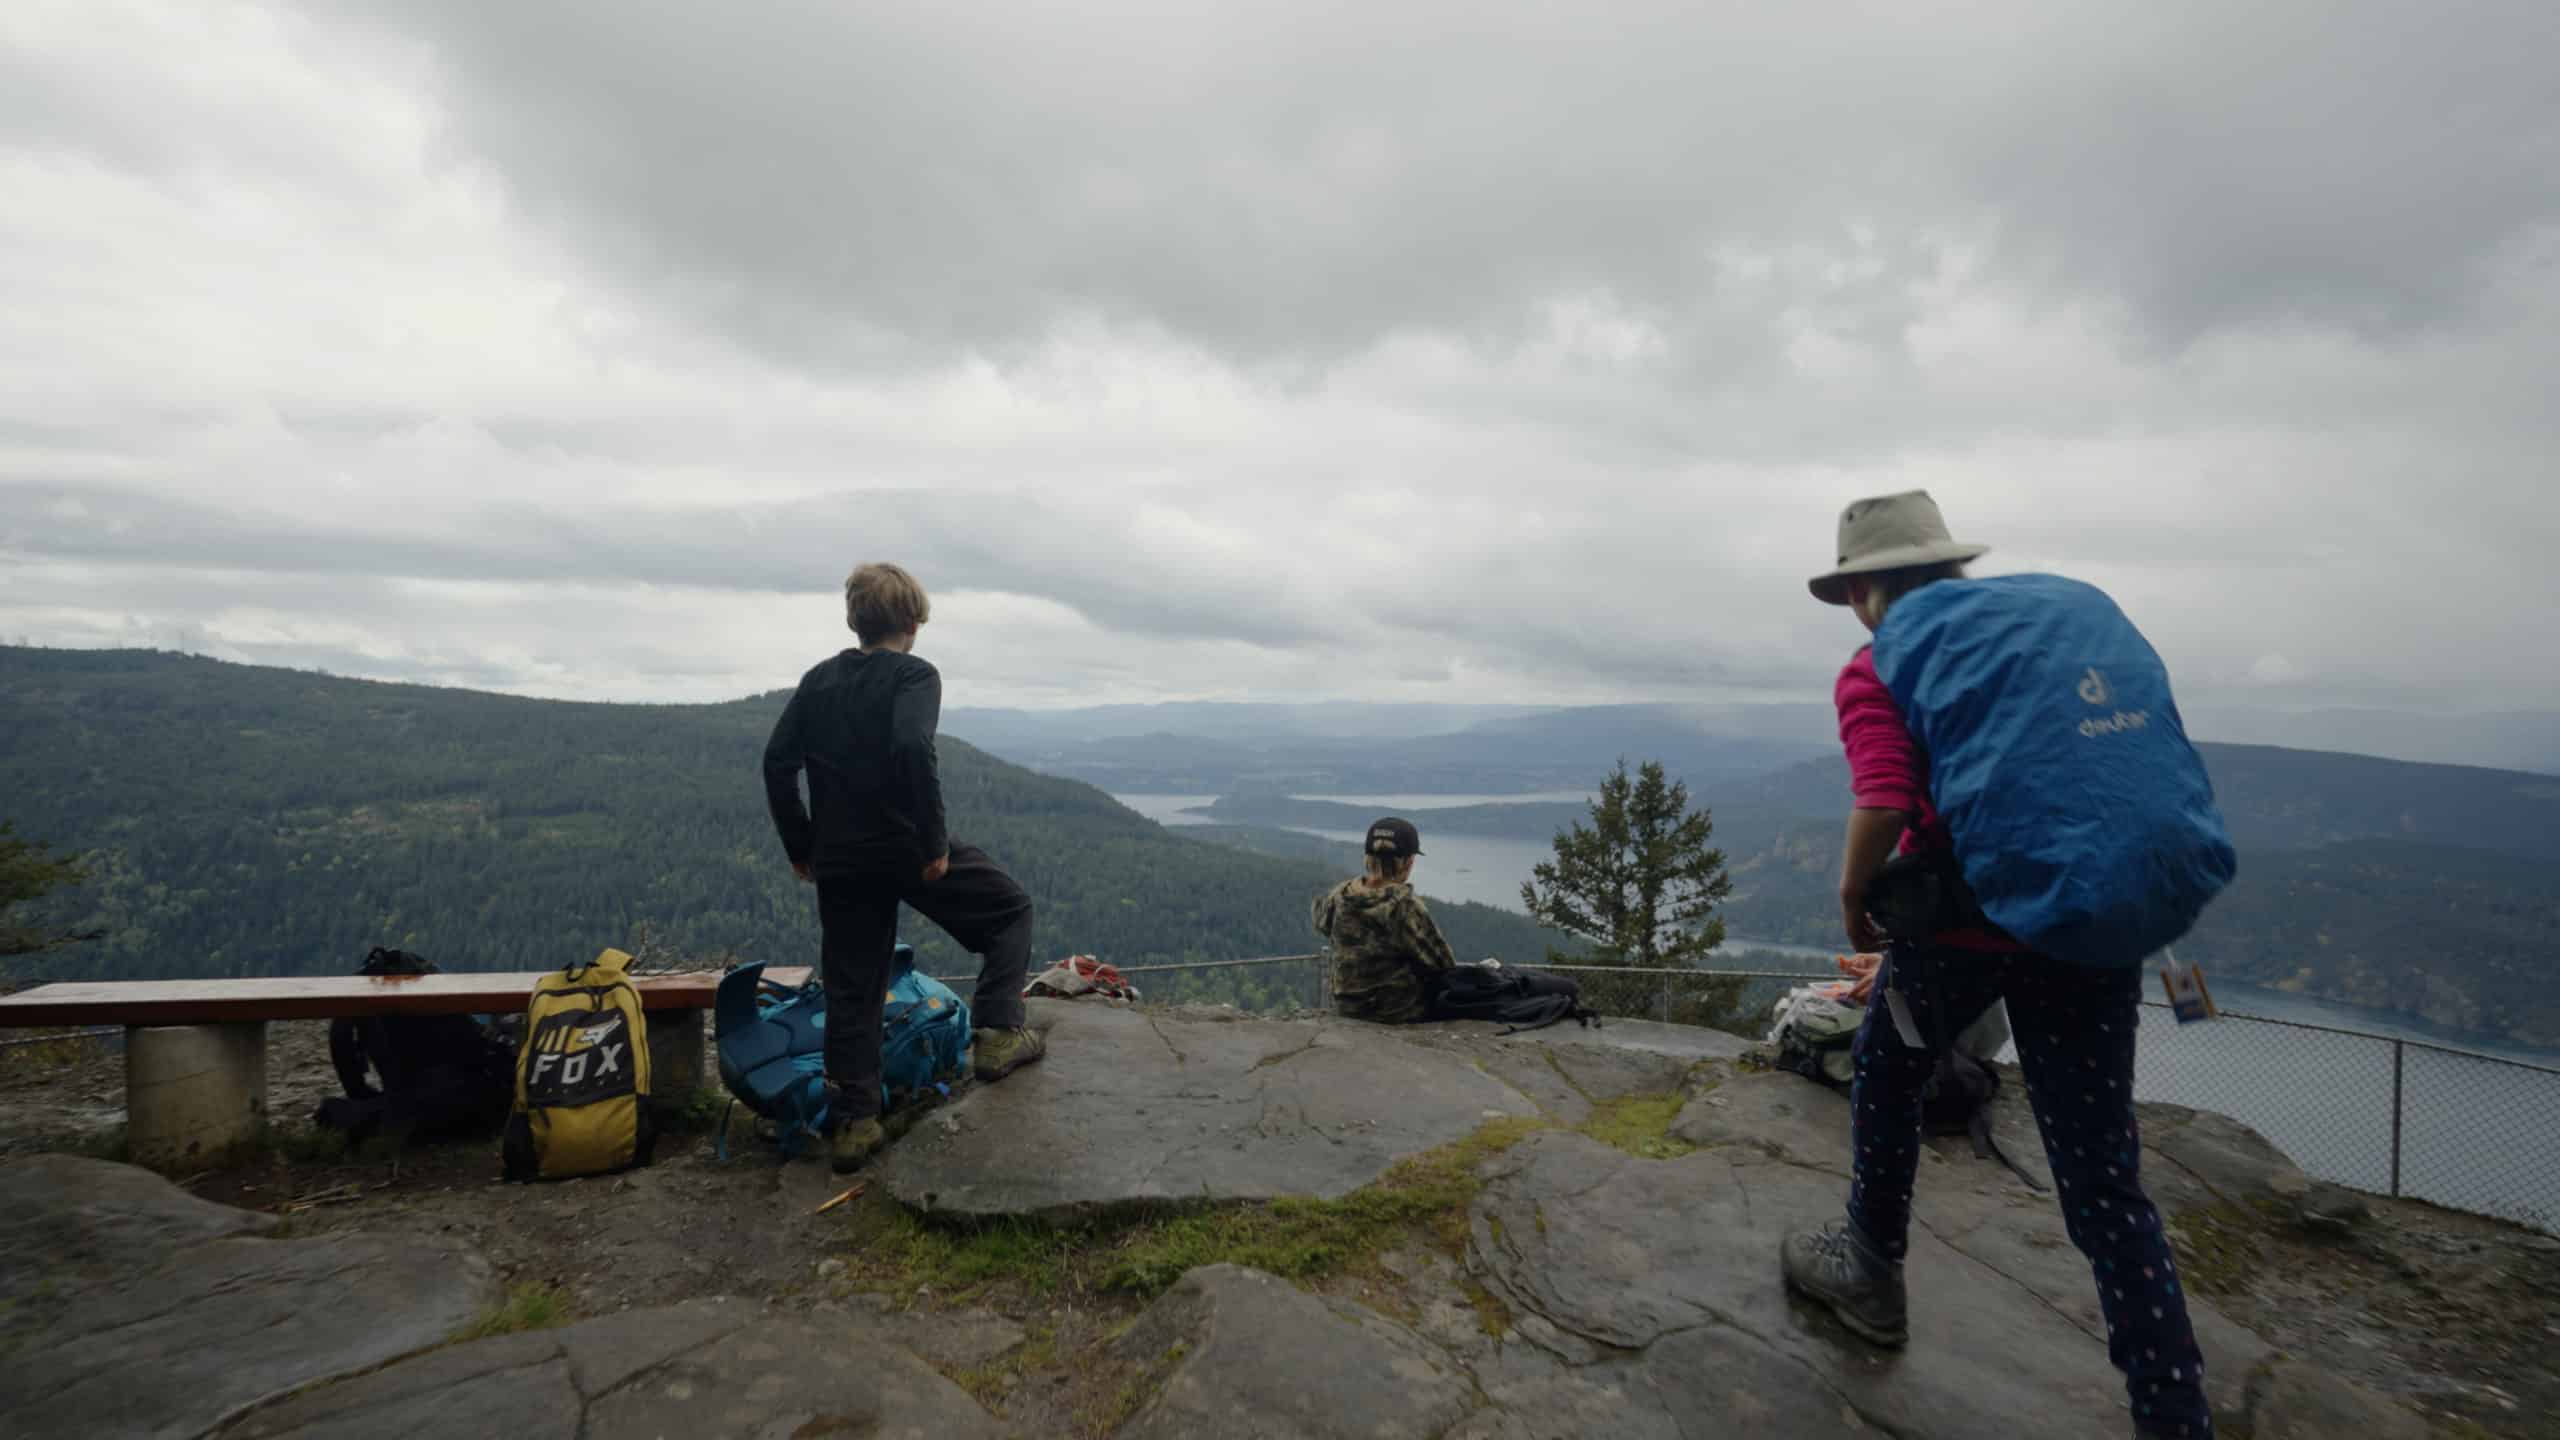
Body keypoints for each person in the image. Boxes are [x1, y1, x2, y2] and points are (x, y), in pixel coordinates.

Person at [1778, 492, 2216, 1439]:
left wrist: (1855, 900)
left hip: (1961, 936)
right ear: (1950, 566)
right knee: (2103, 1180)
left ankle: (1870, 1270)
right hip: (2086, 926)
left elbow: (1887, 799)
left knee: (1890, 1076)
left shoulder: (1879, 664)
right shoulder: (2040, 638)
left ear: (1861, 590)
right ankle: (2173, 1412)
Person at [763, 562, 1047, 1174]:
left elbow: (777, 762)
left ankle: (854, 1124)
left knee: (852, 985)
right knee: (1010, 910)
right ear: (914, 621)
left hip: (839, 856)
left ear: (853, 619)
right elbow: (912, 746)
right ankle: (998, 1033)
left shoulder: (819, 680)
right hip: (904, 846)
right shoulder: (915, 675)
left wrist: (801, 844)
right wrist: (933, 840)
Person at [1311, 817, 1459, 1024]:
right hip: (1397, 1011)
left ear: (1367, 858)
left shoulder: (1340, 895)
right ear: (1408, 862)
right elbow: (1442, 964)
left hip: (1347, 1007)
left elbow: (1321, 922)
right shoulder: (1403, 905)